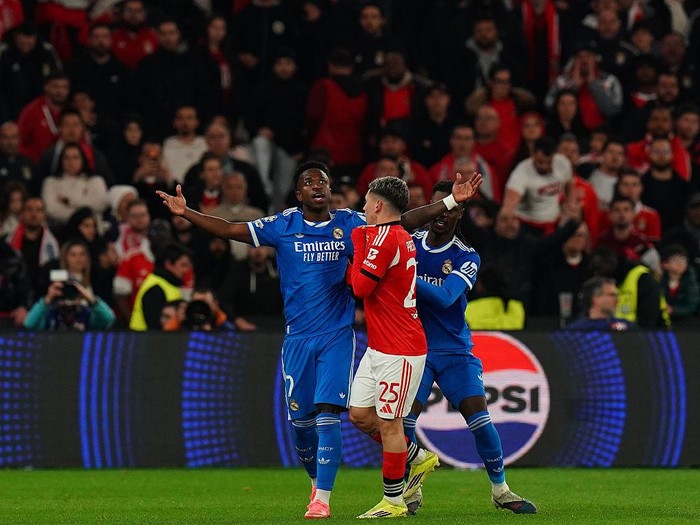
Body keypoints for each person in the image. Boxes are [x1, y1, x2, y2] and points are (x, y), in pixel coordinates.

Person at [156, 161, 482, 519]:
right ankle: (408, 457)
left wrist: (450, 201)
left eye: (323, 181)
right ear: (298, 194)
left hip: (337, 336)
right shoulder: (283, 224)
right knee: (302, 425)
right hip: (297, 339)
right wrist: (186, 213)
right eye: (309, 181)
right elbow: (230, 228)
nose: (317, 185)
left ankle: (322, 499)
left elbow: (400, 221)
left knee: (330, 415)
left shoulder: (349, 222)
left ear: (329, 190)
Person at [408, 181, 536, 514]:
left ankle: (501, 490)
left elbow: (445, 297)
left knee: (479, 418)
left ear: (460, 214)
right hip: (414, 349)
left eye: (449, 208)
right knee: (402, 424)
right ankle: (408, 491)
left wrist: (404, 275)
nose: (441, 214)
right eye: (436, 206)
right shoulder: (408, 245)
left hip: (453, 351)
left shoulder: (466, 257)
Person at [347, 177, 432, 519]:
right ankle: (417, 457)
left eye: (367, 202)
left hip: (401, 348)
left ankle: (393, 501)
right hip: (380, 346)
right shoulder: (399, 236)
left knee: (390, 424)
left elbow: (360, 288)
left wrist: (356, 244)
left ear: (379, 205)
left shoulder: (383, 239)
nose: (363, 208)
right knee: (359, 415)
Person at [24, 238, 115, 331]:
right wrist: (47, 299)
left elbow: (109, 318)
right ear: (65, 257)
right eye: (73, 255)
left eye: (82, 254)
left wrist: (92, 299)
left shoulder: (97, 279)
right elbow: (28, 324)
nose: (78, 259)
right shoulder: (51, 314)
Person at [129, 242, 191, 331]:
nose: (186, 270)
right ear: (169, 264)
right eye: (183, 265)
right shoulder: (155, 289)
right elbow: (156, 327)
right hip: (143, 341)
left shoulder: (169, 284)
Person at [565, 276, 634, 331]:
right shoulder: (575, 331)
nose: (617, 299)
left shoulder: (628, 327)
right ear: (595, 298)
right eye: (612, 295)